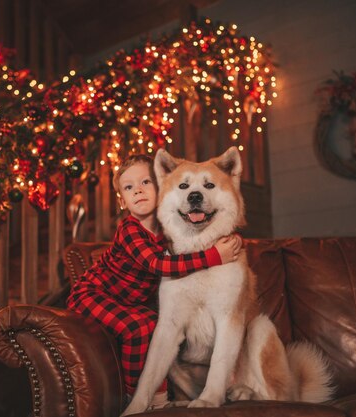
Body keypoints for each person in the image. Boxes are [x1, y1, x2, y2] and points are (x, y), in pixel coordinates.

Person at [67, 154, 242, 408]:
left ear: (161, 187)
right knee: (138, 328)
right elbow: (159, 265)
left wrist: (233, 242)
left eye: (145, 182)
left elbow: (203, 239)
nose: (137, 191)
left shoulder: (168, 230)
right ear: (122, 200)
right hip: (92, 294)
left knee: (152, 325)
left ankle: (158, 401)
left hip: (127, 302)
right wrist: (214, 256)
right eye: (129, 188)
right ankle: (131, 398)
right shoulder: (130, 229)